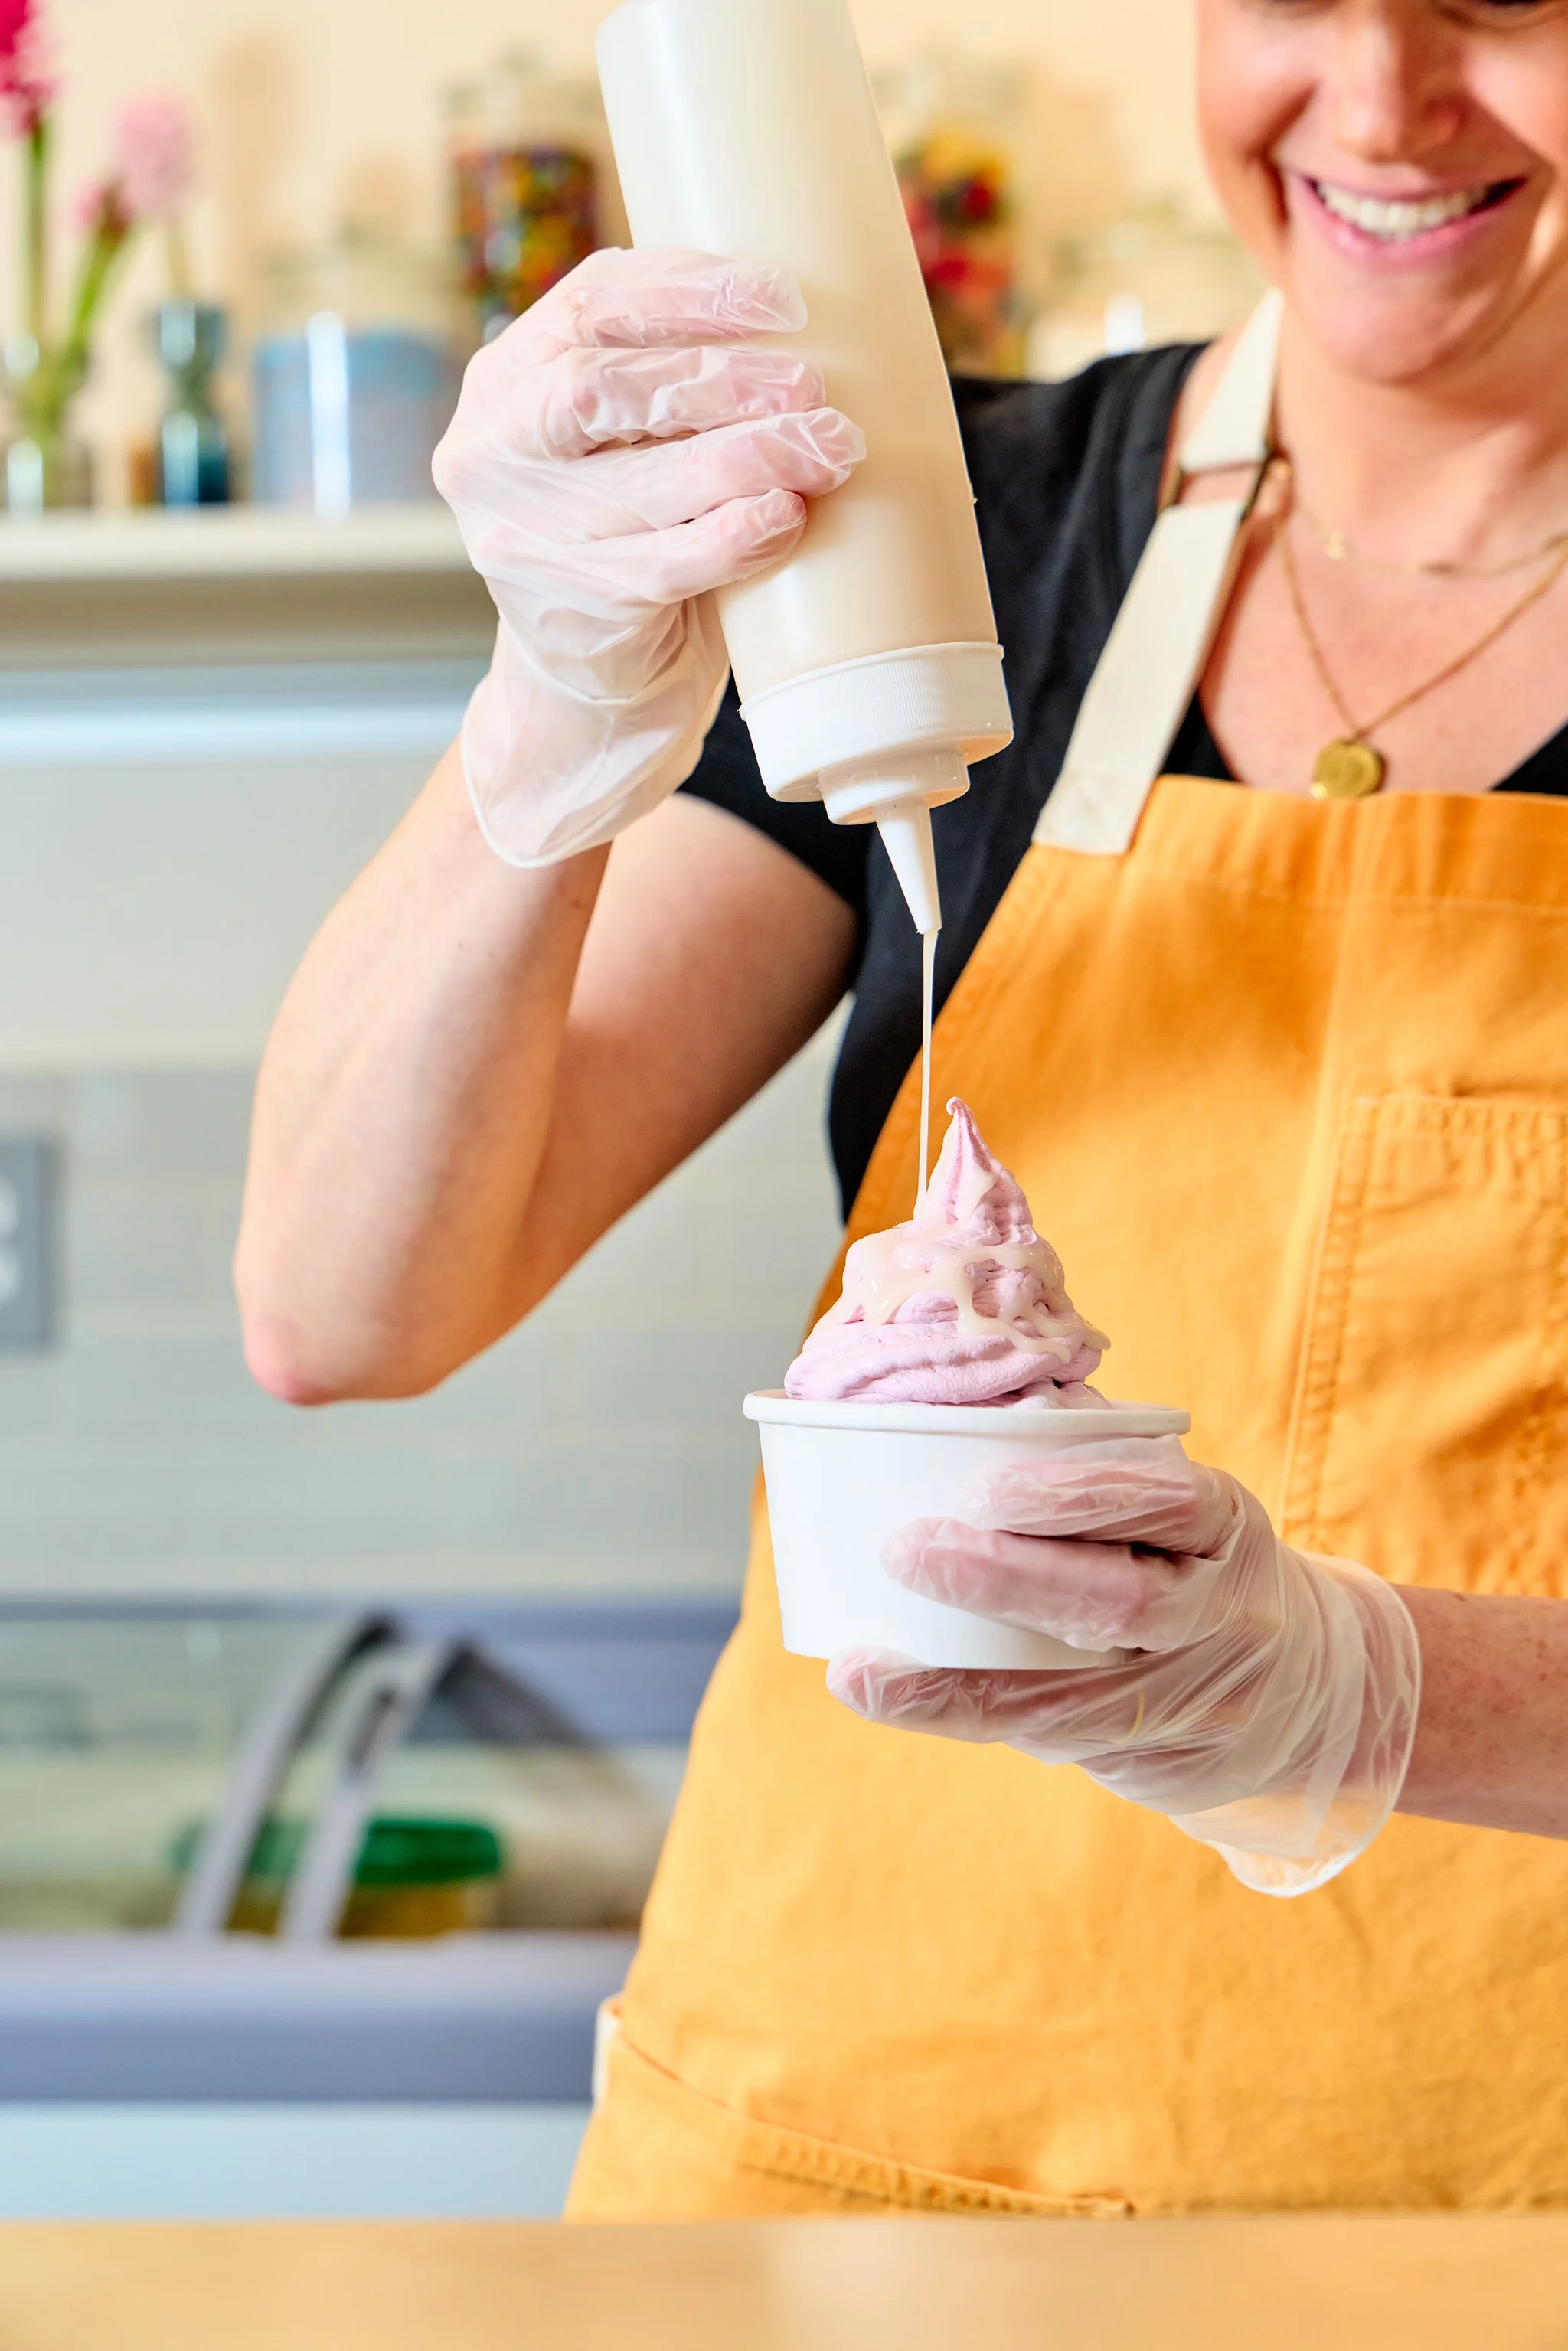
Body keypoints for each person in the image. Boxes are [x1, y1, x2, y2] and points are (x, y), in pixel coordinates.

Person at [236, 0, 1568, 2217]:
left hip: (1489, 2222)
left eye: (1500, 0)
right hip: (822, 2196)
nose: (1381, 102)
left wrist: (1354, 1687)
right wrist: (547, 723)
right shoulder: (961, 537)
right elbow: (342, 1299)